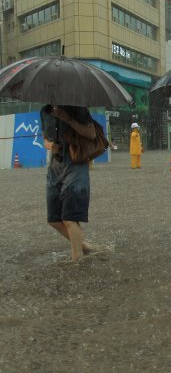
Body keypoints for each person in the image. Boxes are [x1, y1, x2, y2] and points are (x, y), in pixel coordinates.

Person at [41, 105, 97, 263]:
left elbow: (92, 134)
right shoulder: (45, 110)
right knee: (53, 219)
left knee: (70, 218)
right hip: (55, 169)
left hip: (76, 165)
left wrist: (68, 119)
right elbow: (44, 137)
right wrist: (49, 146)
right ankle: (83, 246)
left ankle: (76, 261)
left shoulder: (78, 108)